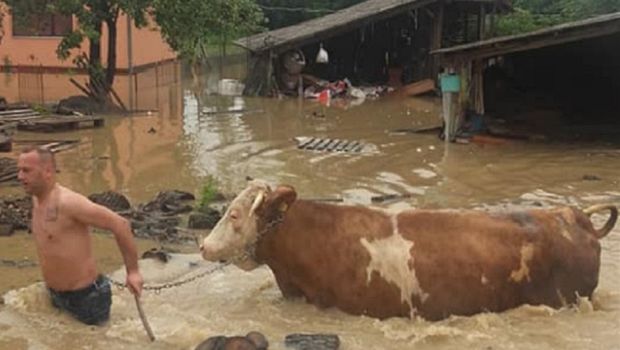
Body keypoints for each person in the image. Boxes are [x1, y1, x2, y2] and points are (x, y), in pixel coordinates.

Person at [17, 146, 144, 325]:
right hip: (55, 294)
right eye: (19, 170)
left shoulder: (70, 203)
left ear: (47, 171)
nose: (20, 177)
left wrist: (133, 272)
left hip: (87, 298)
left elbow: (120, 224)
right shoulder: (36, 198)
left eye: (26, 171)